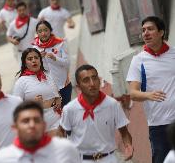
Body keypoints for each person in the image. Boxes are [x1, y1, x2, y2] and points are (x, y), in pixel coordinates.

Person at [60, 64, 133, 162]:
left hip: (108, 159)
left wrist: (128, 145)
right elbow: (61, 131)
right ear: (78, 86)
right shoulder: (70, 109)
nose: (92, 83)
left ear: (99, 80)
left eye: (94, 78)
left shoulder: (112, 104)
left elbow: (124, 132)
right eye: (86, 80)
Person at [126, 16, 175, 163]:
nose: (145, 33)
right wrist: (149, 95)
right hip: (158, 125)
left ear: (161, 32)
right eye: (143, 30)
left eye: (150, 29)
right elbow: (133, 93)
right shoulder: (138, 60)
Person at [0, 101, 81, 163]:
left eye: (36, 120)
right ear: (15, 128)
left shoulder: (66, 149)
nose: (32, 125)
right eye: (25, 121)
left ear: (44, 125)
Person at [13, 48, 61, 135]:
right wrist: (32, 103)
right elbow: (16, 107)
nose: (34, 61)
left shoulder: (47, 75)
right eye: (30, 59)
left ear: (40, 60)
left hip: (55, 116)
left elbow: (55, 91)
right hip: (37, 119)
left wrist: (58, 98)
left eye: (36, 58)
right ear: (25, 63)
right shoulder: (21, 81)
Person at [33, 20, 71, 107]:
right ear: (37, 33)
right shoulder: (35, 48)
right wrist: (38, 58)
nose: (43, 33)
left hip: (63, 85)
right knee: (54, 115)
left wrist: (55, 58)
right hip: (47, 88)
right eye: (40, 31)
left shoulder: (60, 43)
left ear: (50, 30)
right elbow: (32, 69)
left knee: (66, 112)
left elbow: (67, 63)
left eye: (45, 30)